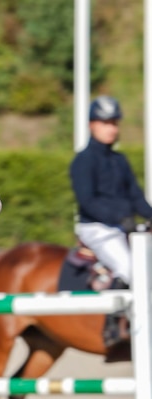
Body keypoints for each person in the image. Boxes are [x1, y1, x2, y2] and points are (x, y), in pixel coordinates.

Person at [69, 95, 152, 290]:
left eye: (114, 123)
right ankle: (114, 320)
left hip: (122, 227)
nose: (111, 129)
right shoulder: (83, 160)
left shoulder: (120, 160)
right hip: (97, 229)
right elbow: (87, 201)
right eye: (105, 123)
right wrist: (121, 217)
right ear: (92, 125)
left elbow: (136, 196)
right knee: (130, 269)